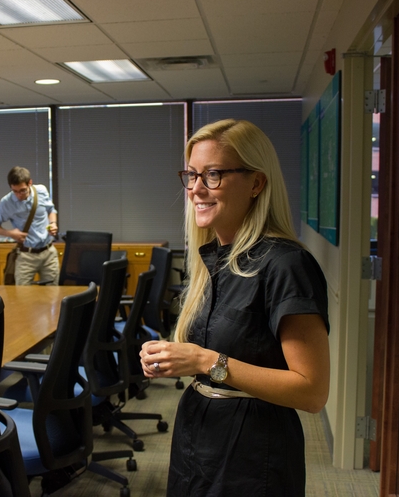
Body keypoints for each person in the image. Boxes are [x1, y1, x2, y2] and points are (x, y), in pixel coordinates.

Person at [140, 119, 330, 496]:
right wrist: (172, 357)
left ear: (256, 183)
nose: (196, 189)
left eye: (213, 175)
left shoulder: (286, 265)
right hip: (198, 438)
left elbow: (311, 392)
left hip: (252, 453)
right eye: (192, 175)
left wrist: (204, 361)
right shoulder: (213, 260)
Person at [0, 166, 59, 285]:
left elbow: (51, 210)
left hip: (48, 253)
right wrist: (10, 233)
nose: (19, 195)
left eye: (22, 190)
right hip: (26, 255)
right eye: (15, 191)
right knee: (22, 296)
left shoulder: (41, 191)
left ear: (30, 183)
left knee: (52, 294)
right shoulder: (6, 203)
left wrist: (53, 223)